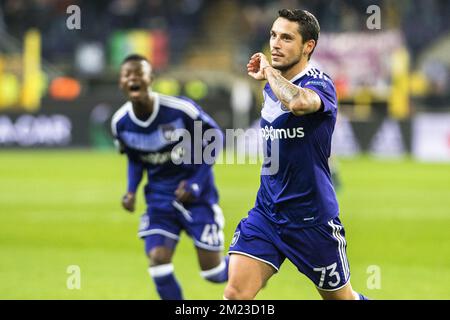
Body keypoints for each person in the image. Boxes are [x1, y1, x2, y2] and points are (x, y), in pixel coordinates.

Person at [224, 9, 368, 300]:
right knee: (235, 295)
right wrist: (271, 76)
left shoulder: (318, 83)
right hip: (267, 213)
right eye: (274, 35)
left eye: (287, 38)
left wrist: (269, 72)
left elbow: (299, 103)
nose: (276, 43)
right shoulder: (270, 88)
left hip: (312, 220)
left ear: (308, 46)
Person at [111, 54, 228, 300]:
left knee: (214, 273)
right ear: (121, 83)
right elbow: (134, 157)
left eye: (138, 73)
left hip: (197, 196)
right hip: (160, 199)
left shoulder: (179, 110)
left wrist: (196, 181)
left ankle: (255, 266)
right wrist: (131, 190)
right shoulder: (120, 123)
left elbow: (215, 137)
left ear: (150, 79)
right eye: (127, 74)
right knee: (157, 259)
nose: (132, 78)